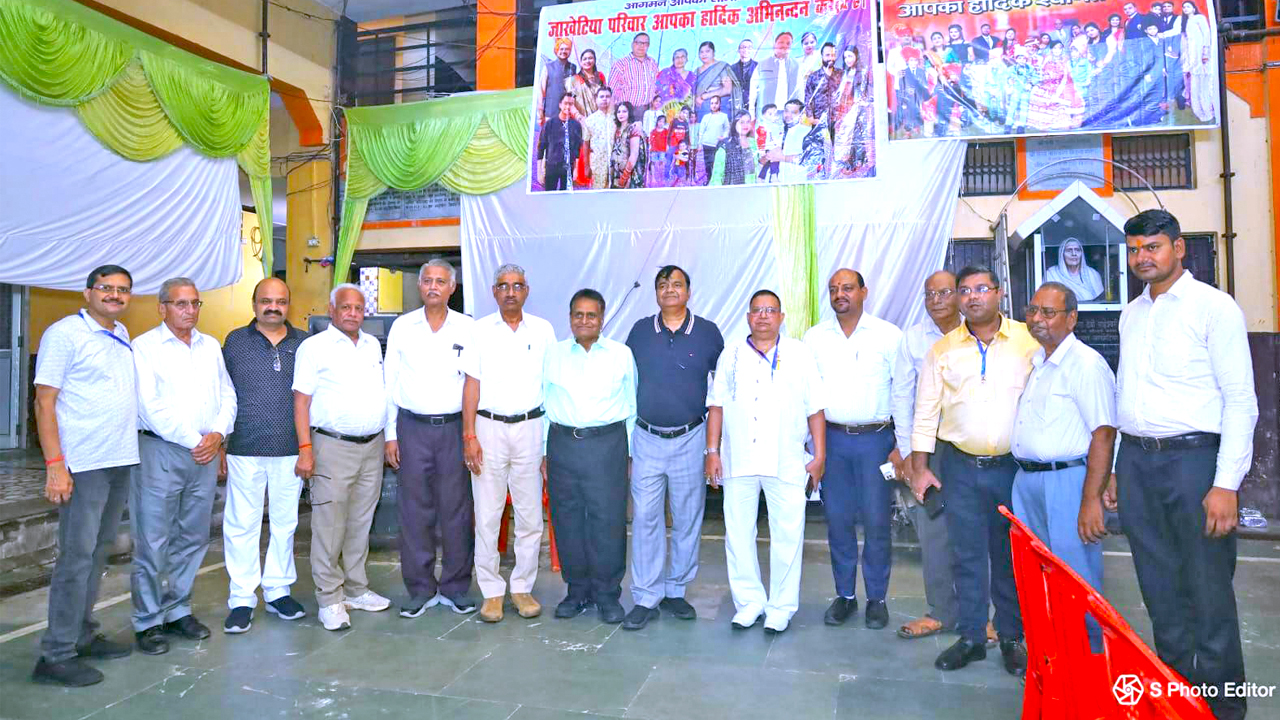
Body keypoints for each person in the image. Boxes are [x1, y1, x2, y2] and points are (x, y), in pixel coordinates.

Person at [1116, 209, 1257, 720]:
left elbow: (1240, 400)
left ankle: (1224, 710)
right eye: (1134, 249)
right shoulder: (1132, 314)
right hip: (1137, 463)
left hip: (1194, 464)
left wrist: (1226, 484)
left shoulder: (1214, 308)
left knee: (1207, 594)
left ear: (1179, 248)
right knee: (1160, 594)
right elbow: (1128, 394)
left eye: (1152, 247)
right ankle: (1177, 702)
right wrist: (1117, 469)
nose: (1142, 258)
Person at [910, 265, 1037, 677]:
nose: (973, 297)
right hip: (960, 467)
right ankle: (971, 638)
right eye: (965, 291)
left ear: (999, 293)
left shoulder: (1028, 340)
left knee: (1008, 555)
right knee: (965, 554)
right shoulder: (943, 349)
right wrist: (920, 468)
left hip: (1012, 469)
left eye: (982, 288)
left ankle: (1012, 636)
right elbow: (925, 413)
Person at [31, 266, 139, 686]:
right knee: (76, 558)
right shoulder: (64, 334)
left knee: (97, 553)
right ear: (87, 292)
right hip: (82, 464)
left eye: (122, 290)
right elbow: (44, 402)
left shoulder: (120, 333)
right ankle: (55, 655)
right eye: (106, 288)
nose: (115, 295)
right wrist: (55, 465)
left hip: (117, 460)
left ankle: (82, 634)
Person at [706, 290, 825, 634]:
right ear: (748, 317)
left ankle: (781, 607)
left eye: (770, 310)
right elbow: (717, 405)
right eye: (756, 310)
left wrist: (820, 456)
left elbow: (815, 407)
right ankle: (749, 602)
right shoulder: (731, 354)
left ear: (781, 317)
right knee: (738, 533)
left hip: (786, 459)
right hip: (738, 458)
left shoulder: (800, 354)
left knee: (788, 534)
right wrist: (712, 452)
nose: (763, 316)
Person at [131, 277, 237, 655]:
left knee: (192, 537)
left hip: (204, 453)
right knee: (153, 539)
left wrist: (218, 434)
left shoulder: (210, 346)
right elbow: (149, 405)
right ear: (162, 308)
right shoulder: (144, 348)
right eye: (181, 304)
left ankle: (178, 610)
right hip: (161, 451)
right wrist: (198, 441)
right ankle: (147, 620)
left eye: (195, 303)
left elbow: (227, 394)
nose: (190, 310)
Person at [1012, 282, 1117, 646]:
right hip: (1028, 481)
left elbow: (1104, 434)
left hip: (1069, 483)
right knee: (1039, 576)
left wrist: (1091, 500)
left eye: (1049, 312)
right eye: (1032, 311)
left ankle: (1090, 659)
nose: (1037, 319)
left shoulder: (1085, 364)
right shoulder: (1038, 362)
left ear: (1072, 319)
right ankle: (1053, 656)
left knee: (1076, 577)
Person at [621, 266, 724, 631]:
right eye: (662, 285)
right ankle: (646, 596)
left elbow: (722, 389)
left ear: (689, 292)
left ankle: (676, 590)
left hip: (690, 438)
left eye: (676, 284)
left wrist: (714, 448)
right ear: (656, 293)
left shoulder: (708, 333)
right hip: (646, 438)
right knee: (645, 519)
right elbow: (626, 383)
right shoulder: (639, 332)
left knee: (687, 518)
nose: (669, 290)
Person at [803, 270, 902, 630]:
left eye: (847, 288)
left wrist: (901, 446)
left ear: (864, 291)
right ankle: (845, 595)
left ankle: (877, 599)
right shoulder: (814, 338)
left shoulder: (888, 335)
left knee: (877, 522)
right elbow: (808, 396)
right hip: (833, 442)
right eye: (833, 289)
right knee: (838, 521)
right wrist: (813, 449)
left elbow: (903, 391)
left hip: (877, 441)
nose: (839, 294)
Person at [462, 264, 557, 623]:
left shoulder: (543, 330)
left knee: (530, 515)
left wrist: (547, 443)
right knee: (487, 514)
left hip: (531, 428)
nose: (510, 292)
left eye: (517, 286)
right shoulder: (479, 331)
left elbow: (551, 385)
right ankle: (491, 591)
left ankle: (521, 587)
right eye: (503, 286)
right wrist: (469, 435)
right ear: (494, 292)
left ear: (526, 291)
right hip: (488, 429)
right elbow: (471, 385)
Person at [293, 284, 390, 631]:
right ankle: (329, 598)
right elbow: (301, 402)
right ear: (331, 310)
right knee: (329, 525)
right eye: (345, 307)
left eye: (358, 308)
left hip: (371, 446)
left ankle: (356, 589)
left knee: (360, 522)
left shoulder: (372, 346)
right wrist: (305, 449)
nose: (352, 313)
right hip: (332, 447)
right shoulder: (313, 347)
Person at [384, 260, 477, 618]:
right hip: (412, 429)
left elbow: (473, 382)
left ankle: (455, 587)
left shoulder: (467, 327)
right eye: (427, 281)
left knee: (457, 511)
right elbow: (390, 381)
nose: (433, 286)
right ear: (419, 286)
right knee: (414, 511)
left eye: (441, 281)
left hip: (453, 430)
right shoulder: (402, 327)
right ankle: (420, 589)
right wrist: (390, 434)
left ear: (452, 288)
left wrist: (469, 434)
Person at [220, 278, 310, 634]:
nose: (273, 307)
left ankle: (277, 591)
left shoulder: (304, 343)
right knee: (242, 525)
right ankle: (242, 598)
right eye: (266, 301)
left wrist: (309, 446)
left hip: (291, 448)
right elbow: (222, 393)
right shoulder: (234, 342)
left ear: (289, 304)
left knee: (286, 523)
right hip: (244, 446)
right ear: (254, 303)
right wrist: (221, 443)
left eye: (281, 301)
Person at [543, 289, 637, 624]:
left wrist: (627, 453)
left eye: (591, 315)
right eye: (578, 315)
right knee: (567, 520)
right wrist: (544, 451)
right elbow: (543, 402)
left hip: (606, 446)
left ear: (602, 318)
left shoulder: (620, 354)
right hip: (562, 444)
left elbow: (632, 405)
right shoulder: (553, 354)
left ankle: (607, 594)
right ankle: (577, 591)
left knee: (607, 521)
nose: (584, 321)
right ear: (570, 318)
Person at [890, 271, 969, 643]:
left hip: (973, 447)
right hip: (930, 449)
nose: (936, 300)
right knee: (933, 531)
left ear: (960, 295)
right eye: (929, 294)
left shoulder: (977, 331)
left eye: (944, 292)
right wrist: (908, 452)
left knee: (979, 529)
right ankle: (941, 611)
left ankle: (985, 614)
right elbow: (901, 395)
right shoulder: (914, 339)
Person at [537, 93, 583, 192]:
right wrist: (539, 172)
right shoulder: (549, 124)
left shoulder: (576, 126)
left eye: (571, 104)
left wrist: (576, 170)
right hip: (551, 167)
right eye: (565, 103)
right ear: (560, 105)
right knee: (549, 196)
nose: (568, 107)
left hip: (568, 168)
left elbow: (577, 149)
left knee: (566, 197)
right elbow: (541, 148)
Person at [750, 32, 800, 118]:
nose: (784, 45)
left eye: (788, 43)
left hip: (789, 116)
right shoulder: (762, 64)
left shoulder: (796, 65)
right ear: (774, 45)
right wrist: (751, 114)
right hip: (766, 114)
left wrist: (799, 113)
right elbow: (753, 89)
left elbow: (800, 91)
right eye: (781, 42)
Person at [1182, 1, 1216, 122]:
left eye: (1188, 6)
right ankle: (1199, 112)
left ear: (1193, 8)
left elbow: (1206, 34)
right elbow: (1186, 41)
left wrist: (1205, 52)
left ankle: (1208, 112)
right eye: (1184, 7)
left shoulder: (1199, 18)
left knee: (1204, 85)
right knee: (1194, 86)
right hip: (1191, 57)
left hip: (1201, 56)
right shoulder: (1185, 22)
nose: (1185, 8)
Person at [608, 32, 658, 110]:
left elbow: (656, 87)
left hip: (649, 111)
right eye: (638, 43)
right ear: (632, 44)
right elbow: (611, 92)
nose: (641, 46)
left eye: (645, 43)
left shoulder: (652, 63)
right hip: (627, 111)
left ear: (648, 46)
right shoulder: (620, 64)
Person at [709, 110, 760, 186]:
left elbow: (758, 168)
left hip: (753, 188)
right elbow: (717, 176)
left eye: (748, 122)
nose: (745, 125)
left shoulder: (754, 144)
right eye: (742, 122)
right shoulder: (725, 146)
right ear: (735, 124)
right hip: (731, 190)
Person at [581, 86, 616, 191]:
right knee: (598, 194)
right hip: (597, 164)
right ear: (596, 99)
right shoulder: (590, 120)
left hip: (615, 165)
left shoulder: (617, 118)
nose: (605, 99)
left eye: (607, 96)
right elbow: (586, 144)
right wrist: (586, 167)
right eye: (601, 97)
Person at [538, 38, 577, 128]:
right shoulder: (548, 67)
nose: (564, 51)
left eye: (567, 49)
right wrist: (540, 113)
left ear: (570, 51)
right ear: (556, 50)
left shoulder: (572, 67)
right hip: (551, 111)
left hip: (567, 112)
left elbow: (574, 90)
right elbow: (541, 90)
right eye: (561, 49)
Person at [609, 101, 647, 189]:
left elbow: (634, 155)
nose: (621, 114)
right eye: (619, 112)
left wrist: (624, 177)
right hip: (616, 172)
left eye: (624, 111)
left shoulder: (633, 129)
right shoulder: (616, 129)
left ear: (629, 113)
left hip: (629, 174)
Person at [895, 48, 930, 137]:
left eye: (915, 60)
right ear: (907, 61)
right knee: (908, 114)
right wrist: (903, 99)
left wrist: (924, 97)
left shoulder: (921, 72)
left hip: (919, 96)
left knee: (917, 112)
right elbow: (901, 86)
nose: (914, 63)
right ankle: (908, 131)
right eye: (911, 60)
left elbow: (924, 85)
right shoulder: (903, 72)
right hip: (908, 97)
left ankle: (917, 127)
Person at [565, 48, 606, 119]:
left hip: (599, 118)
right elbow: (570, 101)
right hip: (581, 119)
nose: (587, 61)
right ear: (581, 62)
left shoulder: (600, 76)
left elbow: (605, 96)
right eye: (585, 59)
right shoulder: (573, 80)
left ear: (594, 60)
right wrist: (578, 116)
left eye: (590, 58)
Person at [697, 95, 729, 184]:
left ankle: (717, 182)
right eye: (712, 103)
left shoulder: (724, 116)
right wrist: (699, 144)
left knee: (717, 164)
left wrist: (724, 137)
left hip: (718, 145)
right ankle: (709, 181)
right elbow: (701, 132)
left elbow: (727, 129)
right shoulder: (706, 117)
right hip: (707, 144)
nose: (714, 105)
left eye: (716, 103)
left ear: (719, 104)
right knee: (708, 165)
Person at [655, 49, 695, 116]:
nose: (680, 60)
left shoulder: (692, 76)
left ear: (687, 59)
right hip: (663, 113)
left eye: (682, 57)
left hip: (683, 115)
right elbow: (655, 89)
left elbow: (694, 97)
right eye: (677, 57)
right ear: (673, 60)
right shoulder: (665, 73)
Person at [730, 38, 758, 115]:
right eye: (743, 47)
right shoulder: (732, 68)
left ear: (752, 50)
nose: (746, 49)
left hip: (754, 106)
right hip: (736, 107)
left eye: (749, 47)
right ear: (738, 50)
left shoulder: (758, 67)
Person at [649, 114, 670, 187]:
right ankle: (653, 178)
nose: (661, 123)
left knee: (661, 163)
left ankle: (661, 177)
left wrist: (667, 146)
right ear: (657, 122)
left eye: (663, 122)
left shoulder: (666, 131)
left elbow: (668, 140)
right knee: (653, 163)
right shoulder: (653, 131)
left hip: (662, 150)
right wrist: (651, 147)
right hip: (654, 150)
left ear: (665, 123)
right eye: (660, 121)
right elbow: (651, 140)